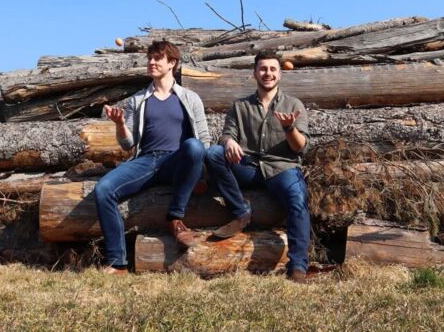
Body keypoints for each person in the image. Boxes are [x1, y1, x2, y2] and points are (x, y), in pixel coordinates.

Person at [96, 40, 211, 275]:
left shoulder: (190, 98)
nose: (151, 62)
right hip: (146, 161)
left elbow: (204, 141)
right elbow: (127, 144)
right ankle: (118, 263)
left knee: (194, 146)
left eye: (157, 58)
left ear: (172, 63)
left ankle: (175, 218)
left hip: (177, 161)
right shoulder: (138, 100)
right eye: (149, 58)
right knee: (103, 189)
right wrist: (120, 124)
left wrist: (199, 170)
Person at [204, 52, 311, 283]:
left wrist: (289, 128)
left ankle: (298, 266)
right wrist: (228, 142)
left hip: (281, 167)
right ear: (254, 73)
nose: (267, 74)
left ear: (280, 74)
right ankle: (240, 211)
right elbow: (226, 135)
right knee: (213, 154)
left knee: (298, 199)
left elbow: (300, 148)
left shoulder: (294, 104)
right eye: (263, 69)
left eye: (272, 69)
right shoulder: (240, 106)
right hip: (248, 166)